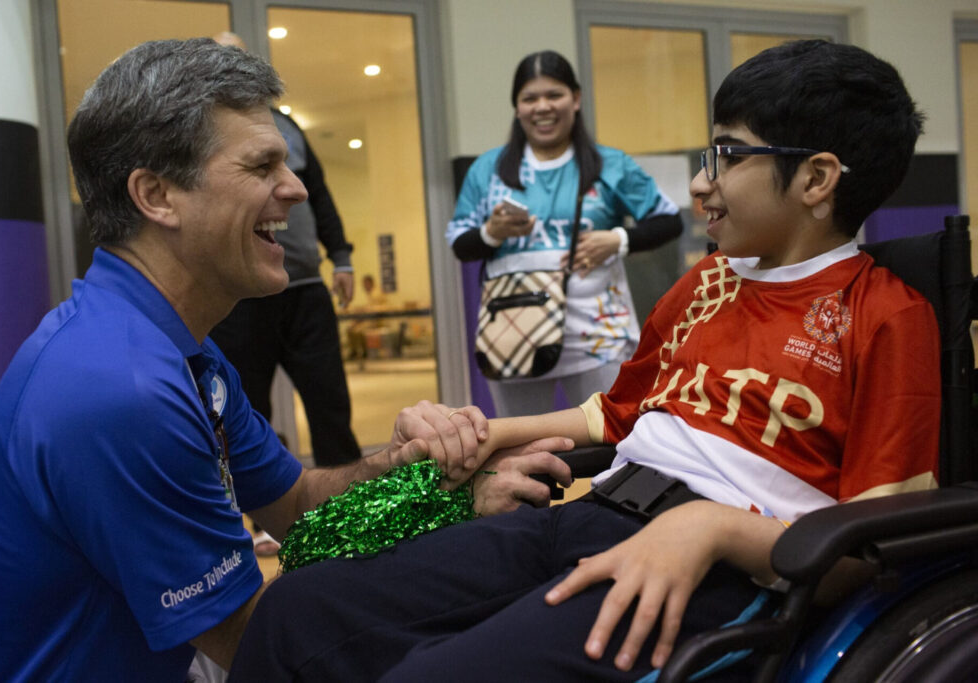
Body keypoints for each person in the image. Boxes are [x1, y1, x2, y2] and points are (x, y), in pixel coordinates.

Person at [228, 40, 940, 682]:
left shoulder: (885, 314)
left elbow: (868, 542)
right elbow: (615, 410)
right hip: (594, 511)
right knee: (297, 608)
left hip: (719, 564)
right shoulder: (710, 282)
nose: (700, 182)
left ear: (816, 180)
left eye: (727, 156)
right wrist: (484, 433)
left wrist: (714, 527)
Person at [0, 38, 570, 682]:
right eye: (261, 166)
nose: (297, 188)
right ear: (157, 195)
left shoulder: (173, 348)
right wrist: (470, 541)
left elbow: (297, 504)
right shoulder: (120, 387)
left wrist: (420, 475)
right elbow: (268, 648)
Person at [448, 50, 683, 417]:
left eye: (554, 95)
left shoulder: (610, 164)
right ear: (517, 108)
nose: (542, 106)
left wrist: (618, 240)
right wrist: (491, 232)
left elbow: (669, 221)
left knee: (615, 443)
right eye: (530, 98)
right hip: (514, 335)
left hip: (596, 334)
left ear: (575, 99)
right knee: (523, 455)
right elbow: (461, 246)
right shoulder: (487, 170)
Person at [207, 31, 360, 557]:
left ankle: (355, 516)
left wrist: (340, 257)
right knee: (243, 412)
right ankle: (260, 520)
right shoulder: (204, 135)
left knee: (329, 404)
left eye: (240, 58)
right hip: (241, 298)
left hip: (306, 289)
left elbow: (319, 196)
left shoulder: (289, 126)